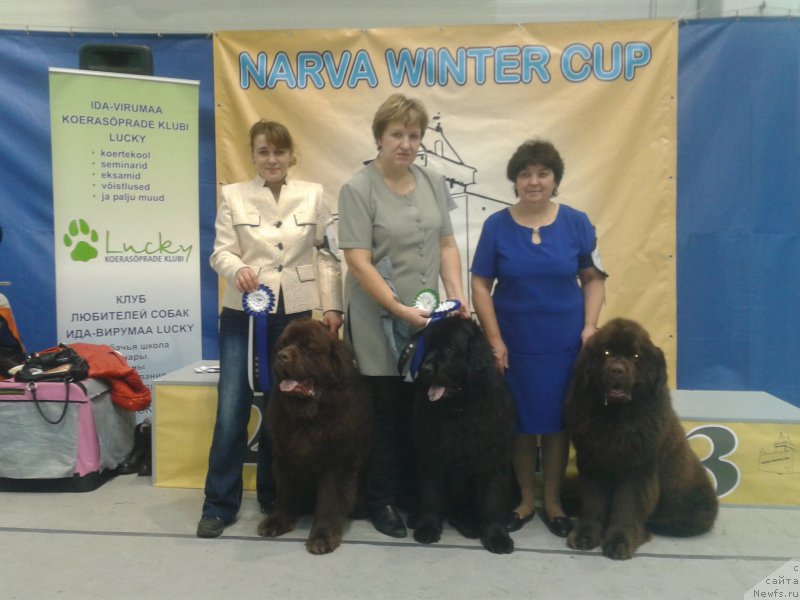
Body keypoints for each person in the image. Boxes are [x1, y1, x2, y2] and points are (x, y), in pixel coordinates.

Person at [197, 120, 343, 538]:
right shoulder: (233, 196)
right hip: (243, 313)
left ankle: (274, 495)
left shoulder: (313, 194)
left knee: (283, 408)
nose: (272, 159)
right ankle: (218, 504)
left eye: (279, 152)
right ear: (254, 156)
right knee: (231, 408)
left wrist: (332, 306)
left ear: (290, 155)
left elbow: (328, 255)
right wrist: (238, 267)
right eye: (263, 152)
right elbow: (220, 252)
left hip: (294, 317)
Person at [338, 93, 469, 538]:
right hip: (379, 319)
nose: (406, 143)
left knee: (422, 411)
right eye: (397, 134)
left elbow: (446, 246)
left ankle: (416, 496)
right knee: (386, 413)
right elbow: (358, 261)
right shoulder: (357, 188)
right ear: (379, 137)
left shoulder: (433, 181)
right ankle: (381, 501)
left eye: (414, 135)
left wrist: (456, 297)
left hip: (427, 317)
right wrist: (397, 310)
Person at [470, 139, 607, 538]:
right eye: (525, 174)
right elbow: (480, 284)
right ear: (515, 181)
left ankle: (554, 502)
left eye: (543, 173)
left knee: (556, 423)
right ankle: (525, 500)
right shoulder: (496, 225)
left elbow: (594, 279)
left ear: (555, 180)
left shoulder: (577, 222)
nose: (534, 181)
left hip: (565, 341)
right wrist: (494, 339)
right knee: (521, 422)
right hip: (513, 340)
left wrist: (590, 326)